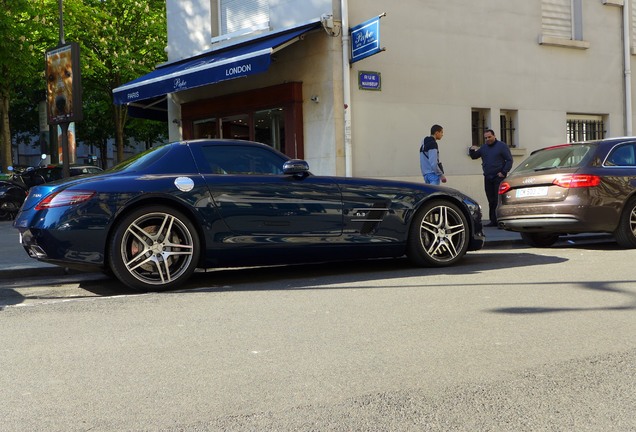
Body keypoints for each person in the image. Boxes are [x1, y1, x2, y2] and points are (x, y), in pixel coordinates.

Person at [469, 129, 513, 227]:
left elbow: (509, 160)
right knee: (491, 200)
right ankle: (493, 220)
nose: (487, 139)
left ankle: (500, 221)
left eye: (489, 137)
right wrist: (472, 150)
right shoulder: (484, 148)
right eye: (486, 138)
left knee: (499, 200)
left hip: (498, 177)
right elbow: (474, 156)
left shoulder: (502, 146)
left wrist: (503, 172)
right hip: (488, 177)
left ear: (494, 136)